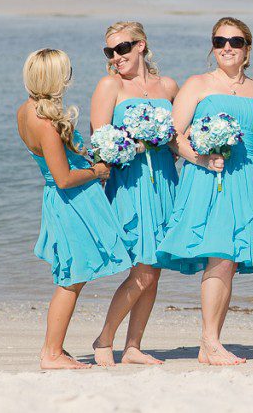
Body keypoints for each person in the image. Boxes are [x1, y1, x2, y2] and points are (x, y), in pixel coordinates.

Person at [157, 17, 253, 365]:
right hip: (209, 178)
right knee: (219, 255)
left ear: (247, 49)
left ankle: (212, 342)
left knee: (230, 260)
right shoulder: (198, 84)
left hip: (248, 178)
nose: (227, 47)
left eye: (235, 41)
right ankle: (210, 341)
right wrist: (200, 158)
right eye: (220, 41)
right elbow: (172, 135)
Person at [16, 48, 131, 369]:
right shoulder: (46, 123)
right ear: (55, 77)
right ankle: (51, 353)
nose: (70, 77)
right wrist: (98, 171)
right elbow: (63, 178)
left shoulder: (25, 110)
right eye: (66, 71)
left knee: (71, 277)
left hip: (64, 201)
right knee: (71, 279)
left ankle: (54, 349)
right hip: (70, 203)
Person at [90, 21, 178, 366]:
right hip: (130, 183)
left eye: (122, 49)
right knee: (143, 269)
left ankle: (133, 347)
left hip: (165, 182)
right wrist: (138, 142)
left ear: (141, 45)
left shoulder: (168, 85)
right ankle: (104, 339)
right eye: (109, 52)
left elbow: (177, 136)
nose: (116, 57)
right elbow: (101, 140)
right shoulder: (109, 85)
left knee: (154, 267)